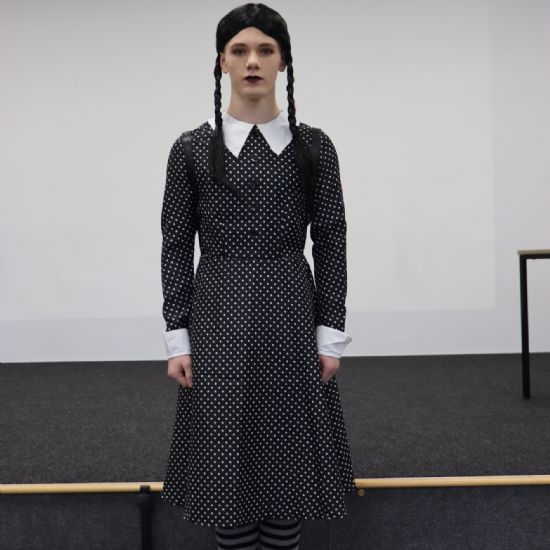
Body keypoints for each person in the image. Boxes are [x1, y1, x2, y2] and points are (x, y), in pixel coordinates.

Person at [159, 3, 355, 549]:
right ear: (221, 61)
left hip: (290, 314)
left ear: (283, 61)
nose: (252, 61)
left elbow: (331, 240)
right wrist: (177, 336)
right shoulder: (191, 148)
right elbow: (175, 245)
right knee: (226, 458)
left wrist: (330, 333)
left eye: (265, 50)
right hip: (217, 318)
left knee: (286, 458)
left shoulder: (313, 146)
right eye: (240, 50)